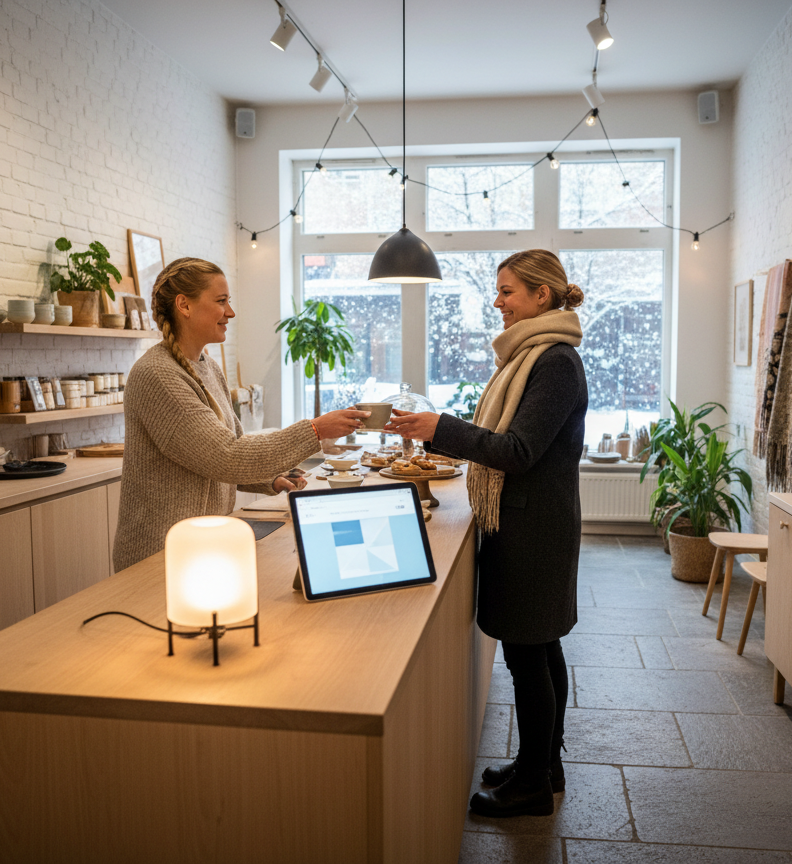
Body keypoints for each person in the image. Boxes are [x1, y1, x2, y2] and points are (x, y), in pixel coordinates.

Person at [385, 249, 587, 818]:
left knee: (529, 655)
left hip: (533, 528)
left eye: (507, 291)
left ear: (541, 296)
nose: (497, 302)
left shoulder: (553, 362)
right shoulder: (538, 355)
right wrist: (442, 429)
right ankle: (541, 765)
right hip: (531, 521)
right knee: (540, 648)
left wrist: (440, 430)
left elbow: (518, 451)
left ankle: (532, 787)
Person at [112, 257, 369, 571]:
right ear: (184, 305)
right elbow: (226, 456)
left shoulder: (207, 368)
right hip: (160, 558)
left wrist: (270, 480)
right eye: (221, 302)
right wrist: (316, 430)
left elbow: (229, 446)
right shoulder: (158, 375)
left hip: (201, 546)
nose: (230, 312)